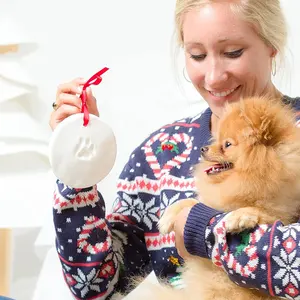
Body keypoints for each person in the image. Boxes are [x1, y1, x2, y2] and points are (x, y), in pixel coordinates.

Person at [49, 0, 300, 299]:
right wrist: (75, 159)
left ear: (272, 45)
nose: (214, 76)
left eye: (233, 53)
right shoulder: (162, 154)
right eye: (197, 55)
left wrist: (202, 230)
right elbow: (95, 286)